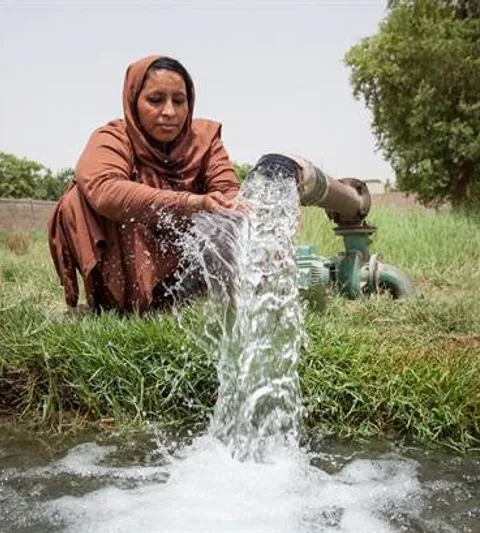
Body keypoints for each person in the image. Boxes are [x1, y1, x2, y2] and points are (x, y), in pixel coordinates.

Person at [48, 55, 241, 313]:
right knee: (79, 198)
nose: (169, 112)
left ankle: (198, 300)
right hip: (126, 261)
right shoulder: (113, 139)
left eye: (179, 101)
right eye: (155, 100)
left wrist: (244, 206)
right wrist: (192, 202)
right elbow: (105, 190)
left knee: (232, 214)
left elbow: (228, 189)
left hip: (187, 261)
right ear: (133, 101)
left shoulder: (204, 142)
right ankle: (124, 305)